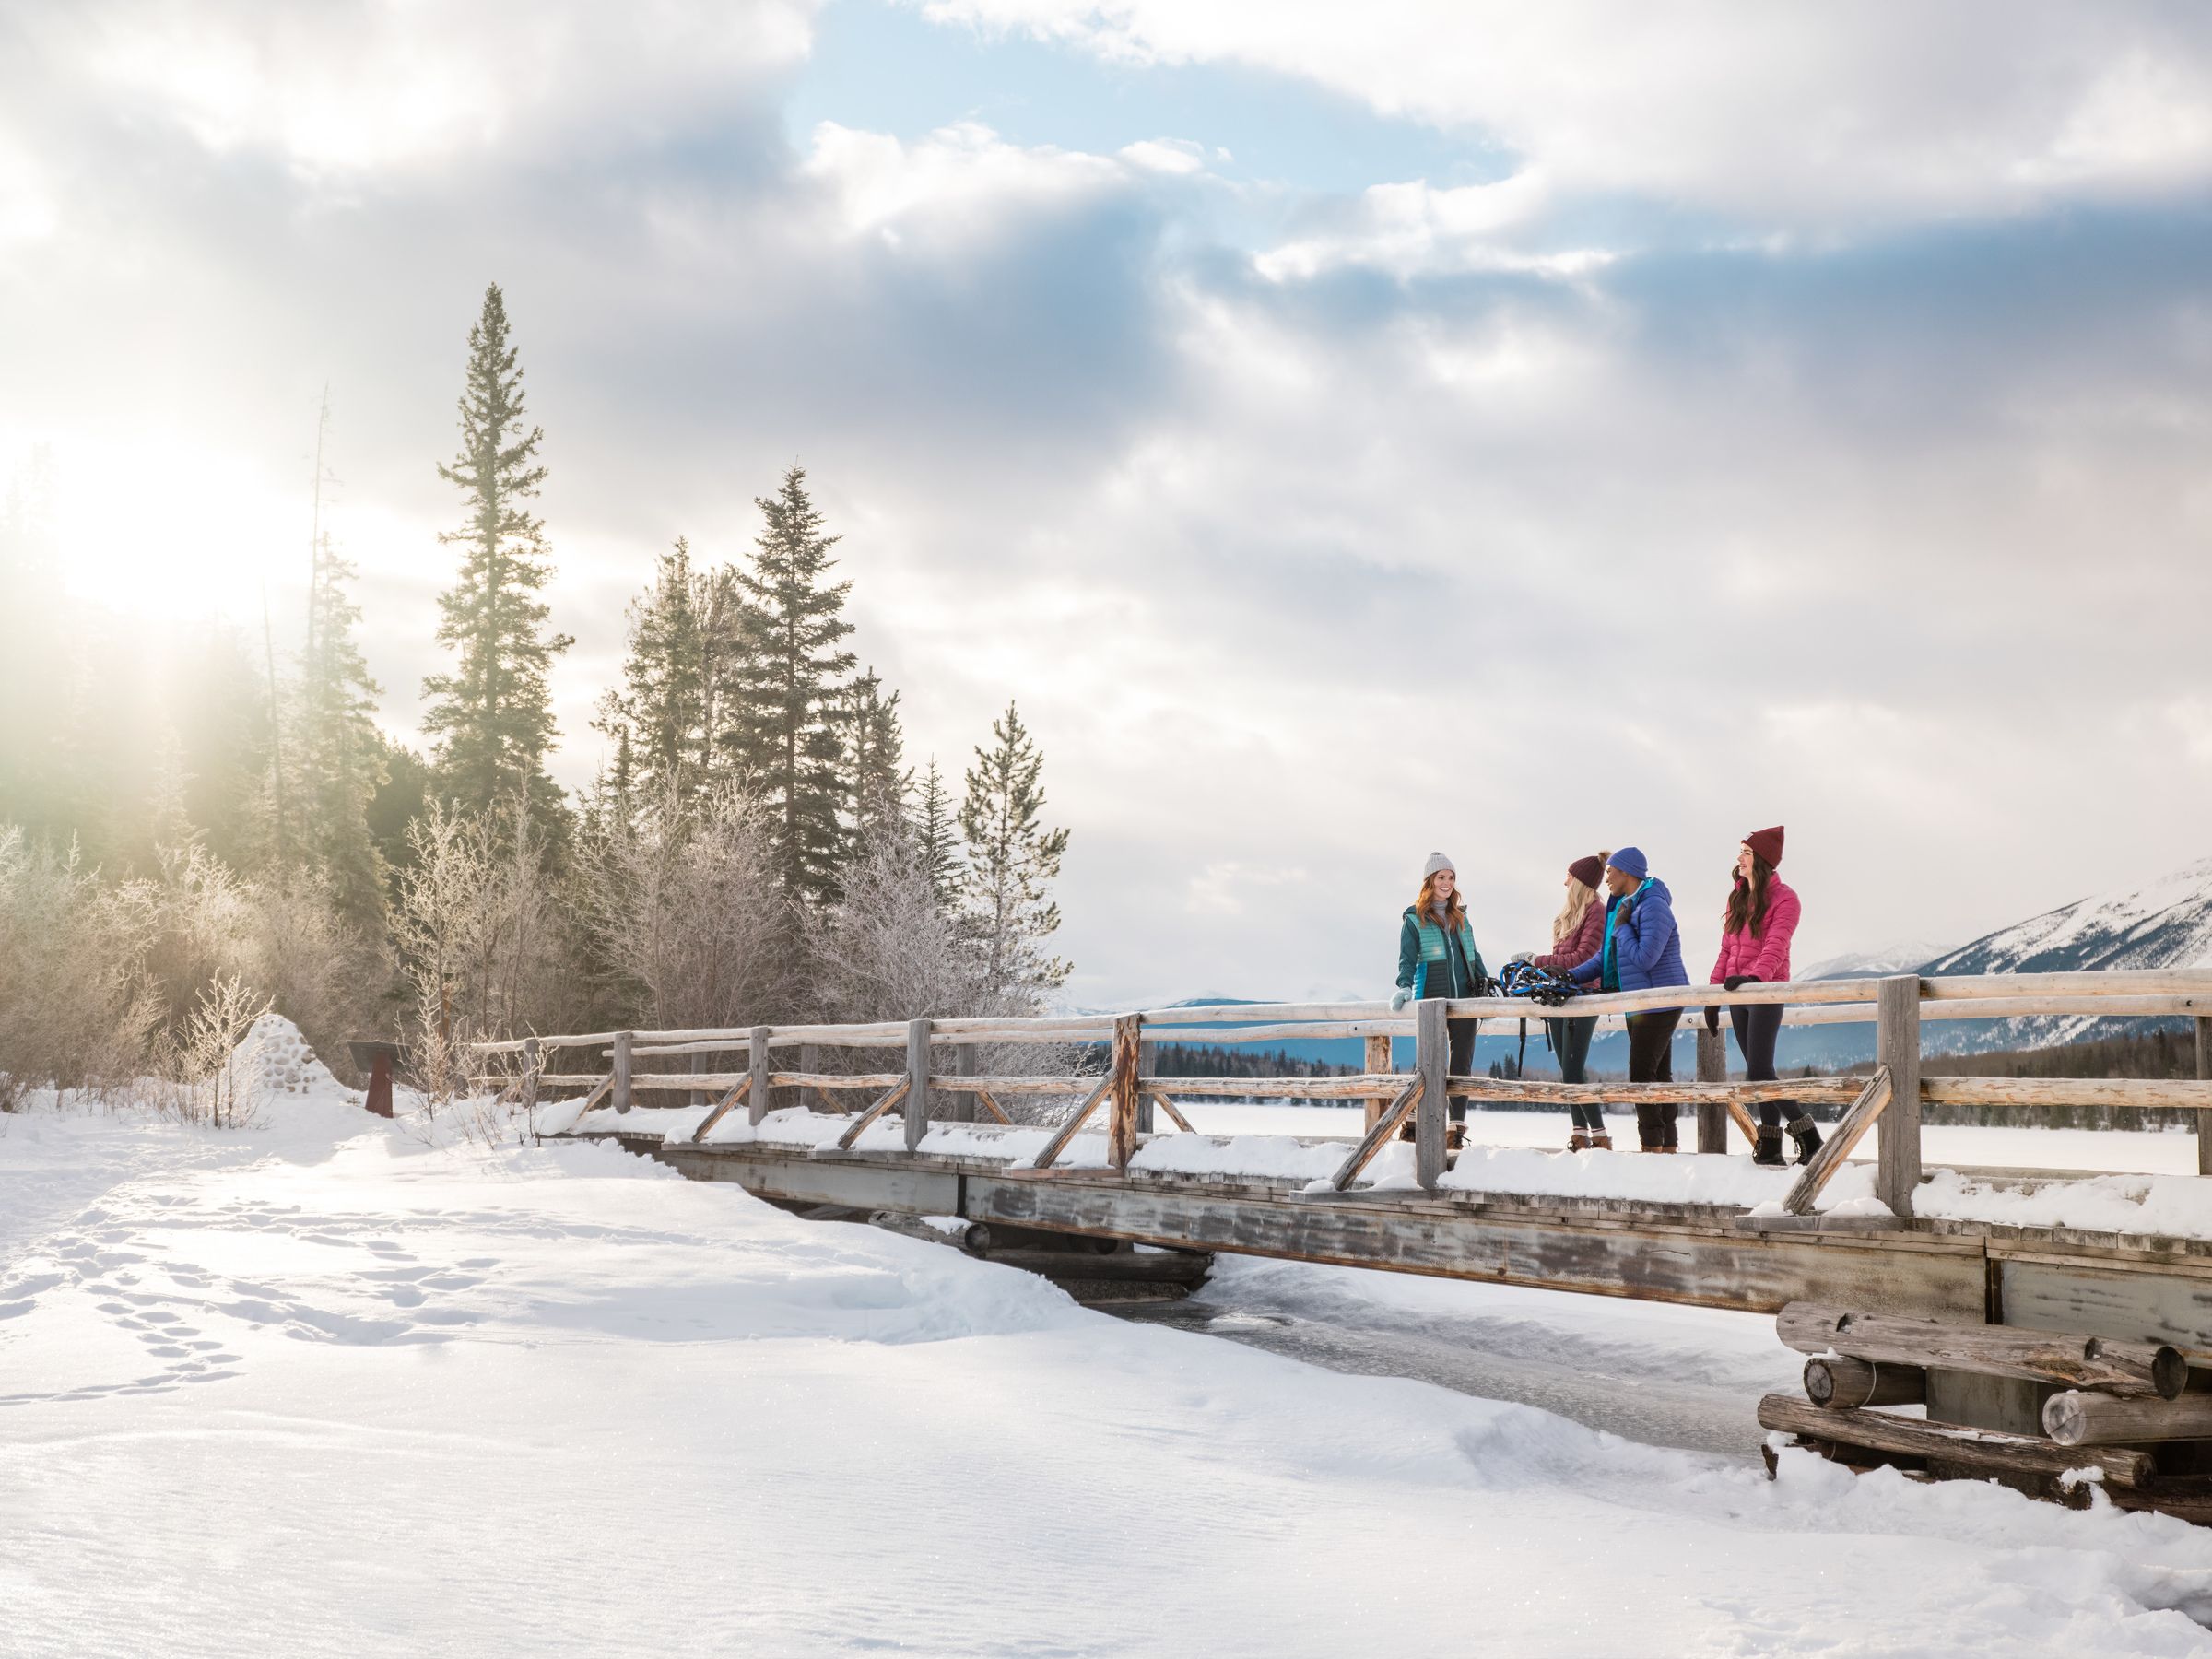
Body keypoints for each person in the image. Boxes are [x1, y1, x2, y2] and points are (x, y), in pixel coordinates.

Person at [1704, 825, 1820, 1167]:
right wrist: (1712, 996)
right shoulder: (1736, 897)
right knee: (1758, 1070)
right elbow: (1726, 951)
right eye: (1741, 851)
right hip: (1738, 991)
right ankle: (1769, 1144)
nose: (1739, 858)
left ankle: (1808, 1136)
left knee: (1759, 1068)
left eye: (1746, 852)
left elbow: (1776, 945)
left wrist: (1755, 978)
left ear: (1762, 860)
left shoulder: (1786, 899)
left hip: (1766, 988)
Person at [1567, 847, 1688, 1152]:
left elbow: (1646, 958)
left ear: (1626, 872)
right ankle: (1666, 1146)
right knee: (1658, 1074)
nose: (1606, 878)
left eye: (1610, 872)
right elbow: (1605, 959)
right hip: (1640, 1001)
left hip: (1660, 999)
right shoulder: (1626, 905)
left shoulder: (1653, 906)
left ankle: (1652, 1145)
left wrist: (1621, 929)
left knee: (1641, 1074)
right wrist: (1569, 976)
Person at [1509, 853, 1611, 1150]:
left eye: (1569, 876)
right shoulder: (1573, 915)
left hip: (1582, 997)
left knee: (1573, 1069)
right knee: (1566, 1070)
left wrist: (1535, 960)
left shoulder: (1597, 912)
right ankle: (1579, 1133)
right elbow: (1565, 957)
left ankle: (1601, 1135)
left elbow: (1582, 958)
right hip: (1560, 997)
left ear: (1579, 881)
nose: (1564, 881)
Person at [1392, 852, 1490, 1149]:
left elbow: (1473, 956)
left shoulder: (1461, 917)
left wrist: (1488, 992)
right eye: (1441, 878)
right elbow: (1407, 960)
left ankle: (1455, 1130)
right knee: (1428, 1062)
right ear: (1429, 882)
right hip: (1431, 998)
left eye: (1450, 878)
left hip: (1465, 999)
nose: (1446, 883)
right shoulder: (1414, 919)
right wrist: (1404, 987)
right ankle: (1409, 1123)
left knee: (1462, 1063)